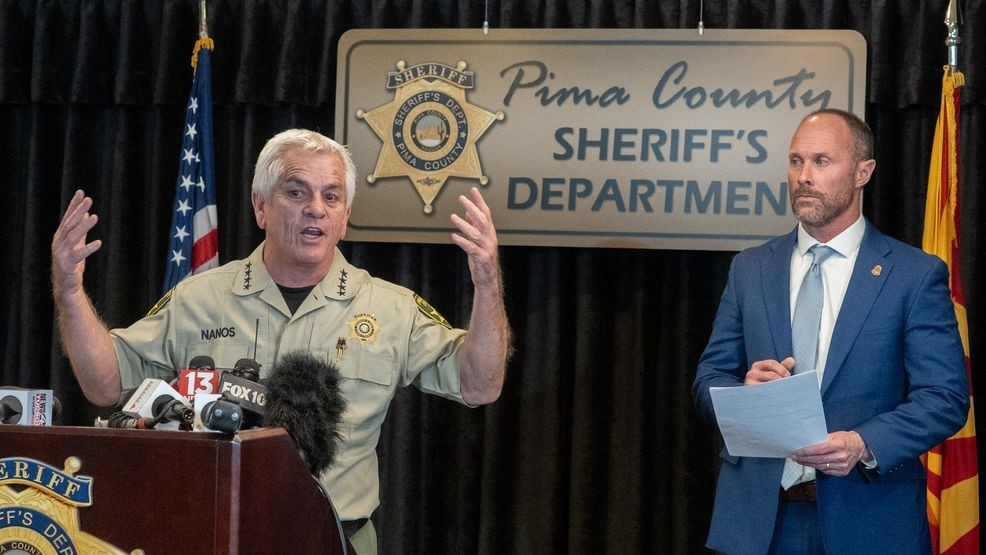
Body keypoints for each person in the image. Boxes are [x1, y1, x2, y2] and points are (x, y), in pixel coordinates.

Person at [51, 129, 512, 553]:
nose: (316, 208)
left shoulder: (390, 308)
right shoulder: (199, 297)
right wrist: (70, 291)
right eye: (297, 192)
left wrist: (489, 285)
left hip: (335, 538)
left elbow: (480, 384)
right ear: (260, 206)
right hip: (215, 533)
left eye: (332, 196)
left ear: (345, 216)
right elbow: (105, 385)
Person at [692, 109, 968, 554]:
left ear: (863, 171)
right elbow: (708, 382)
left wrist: (864, 443)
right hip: (759, 522)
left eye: (821, 162)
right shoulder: (751, 268)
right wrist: (743, 390)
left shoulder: (913, 275)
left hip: (869, 520)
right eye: (796, 161)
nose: (804, 176)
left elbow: (945, 397)